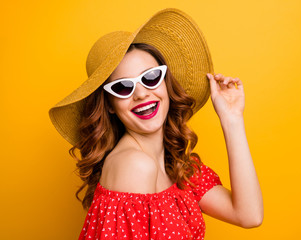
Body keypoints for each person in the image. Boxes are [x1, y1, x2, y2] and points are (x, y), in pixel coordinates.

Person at [49, 8, 263, 240]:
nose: (141, 94)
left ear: (166, 84)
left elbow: (249, 215)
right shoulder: (133, 165)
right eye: (123, 87)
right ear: (110, 105)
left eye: (150, 77)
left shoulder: (176, 163)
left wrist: (232, 119)